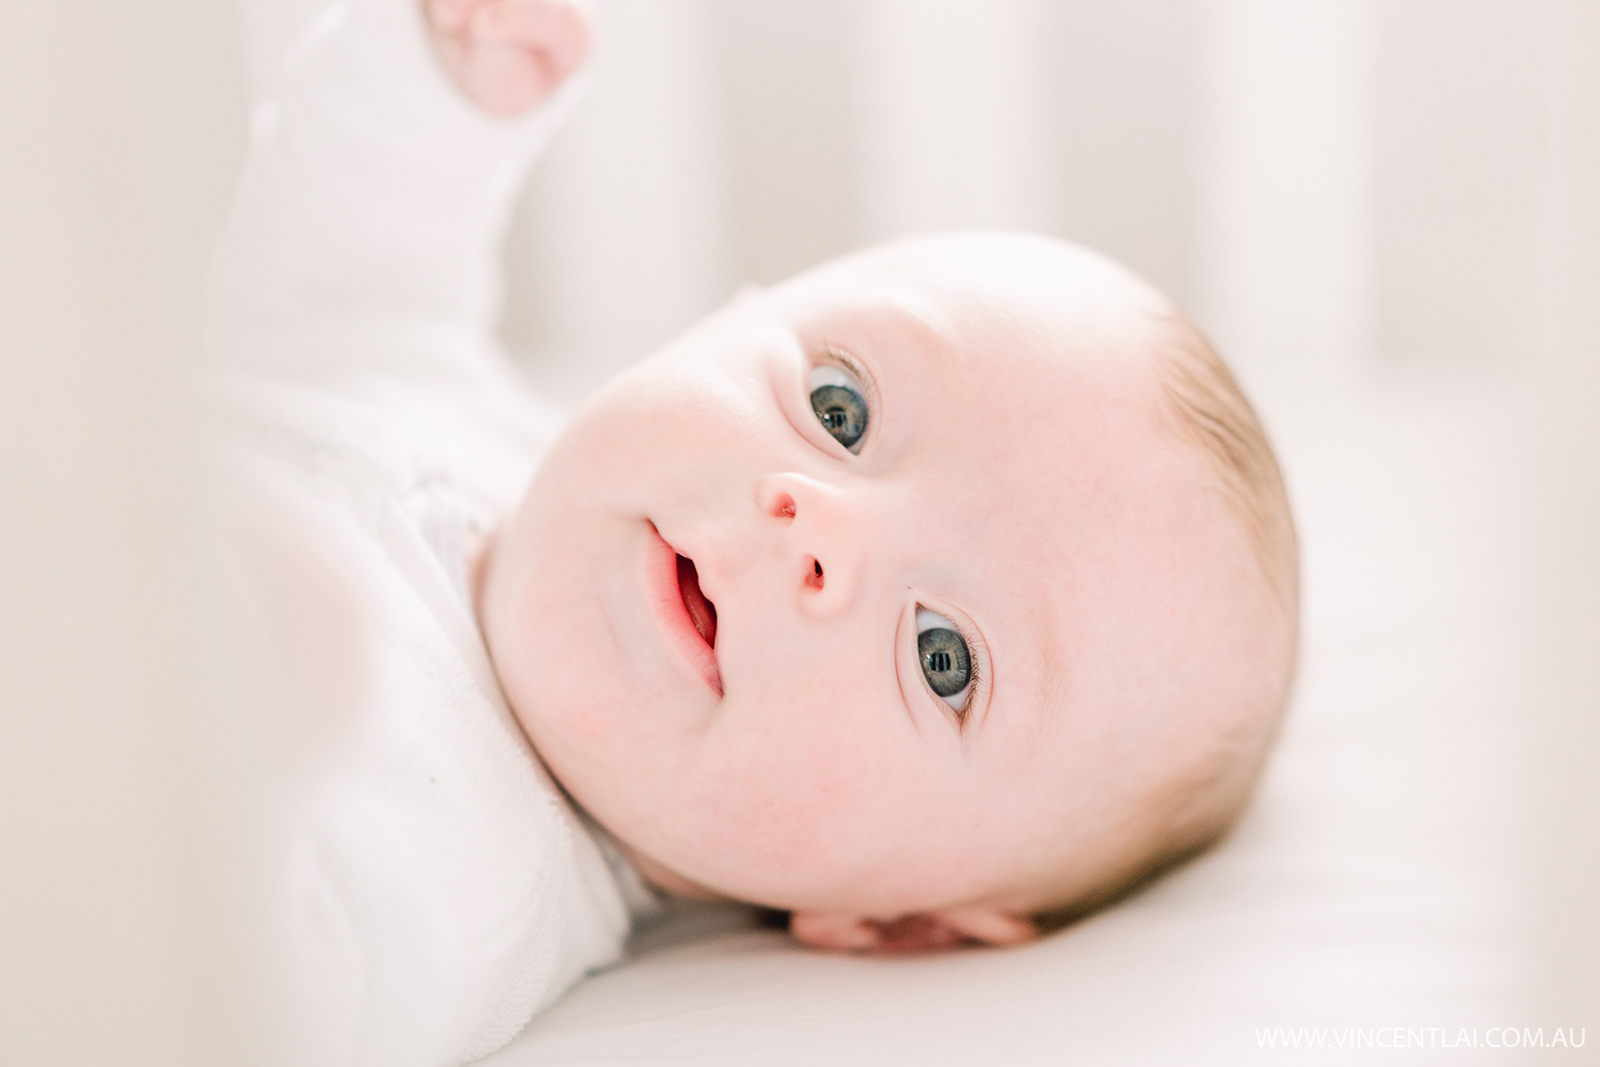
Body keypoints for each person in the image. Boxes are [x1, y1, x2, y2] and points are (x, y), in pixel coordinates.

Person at [210, 0, 1297, 1062]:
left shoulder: (459, 884)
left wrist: (269, 705)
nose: (822, 529)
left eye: (943, 657)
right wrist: (440, 94)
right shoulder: (451, 398)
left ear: (899, 923)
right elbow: (339, 285)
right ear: (731, 311)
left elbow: (212, 991)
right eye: (841, 410)